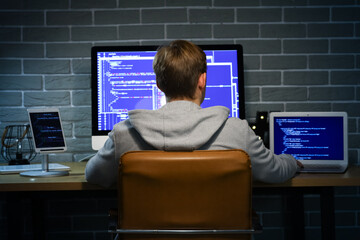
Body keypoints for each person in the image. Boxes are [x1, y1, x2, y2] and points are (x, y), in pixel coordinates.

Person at [85, 40, 302, 188]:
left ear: (159, 84)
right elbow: (275, 172)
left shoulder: (123, 135)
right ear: (202, 80)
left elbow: (93, 176)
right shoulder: (237, 132)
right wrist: (292, 161)